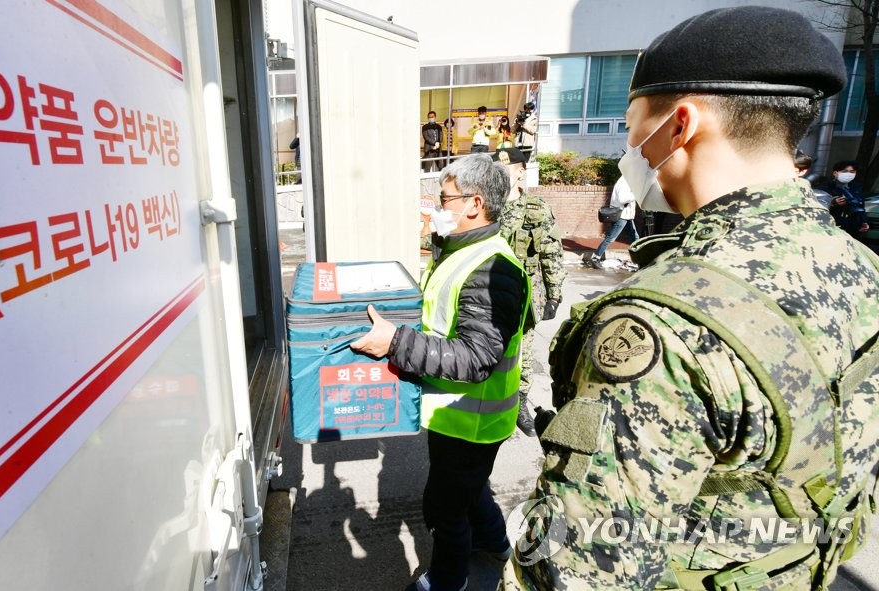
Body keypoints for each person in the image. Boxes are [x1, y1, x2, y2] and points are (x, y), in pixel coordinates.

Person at [502, 6, 879, 590]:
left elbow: (583, 567)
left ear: (679, 125)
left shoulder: (663, 323)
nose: (632, 155)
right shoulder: (860, 264)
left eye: (633, 133)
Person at [351, 153, 530, 591]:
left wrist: (394, 343)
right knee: (470, 492)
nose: (435, 205)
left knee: (445, 508)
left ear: (474, 204)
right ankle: (497, 546)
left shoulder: (492, 270)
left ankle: (448, 581)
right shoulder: (464, 250)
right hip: (458, 416)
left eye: (443, 198)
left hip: (474, 420)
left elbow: (474, 358)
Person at [494, 147, 565, 437]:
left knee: (522, 354)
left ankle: (519, 404)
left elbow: (551, 252)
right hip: (489, 295)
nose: (497, 177)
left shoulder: (534, 209)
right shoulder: (484, 207)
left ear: (520, 172)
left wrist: (554, 293)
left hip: (525, 298)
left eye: (504, 171)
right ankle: (494, 404)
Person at [588, 177, 639, 268]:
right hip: (622, 216)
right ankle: (596, 258)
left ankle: (639, 258)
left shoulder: (627, 181)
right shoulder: (623, 183)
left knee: (635, 237)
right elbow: (622, 199)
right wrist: (635, 194)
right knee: (611, 238)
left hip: (627, 216)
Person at [821, 160, 870, 240]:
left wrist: (863, 222)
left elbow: (860, 208)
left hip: (852, 233)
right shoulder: (825, 188)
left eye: (852, 171)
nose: (849, 174)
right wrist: (832, 203)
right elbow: (817, 207)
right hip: (831, 231)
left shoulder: (856, 188)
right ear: (835, 173)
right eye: (845, 171)